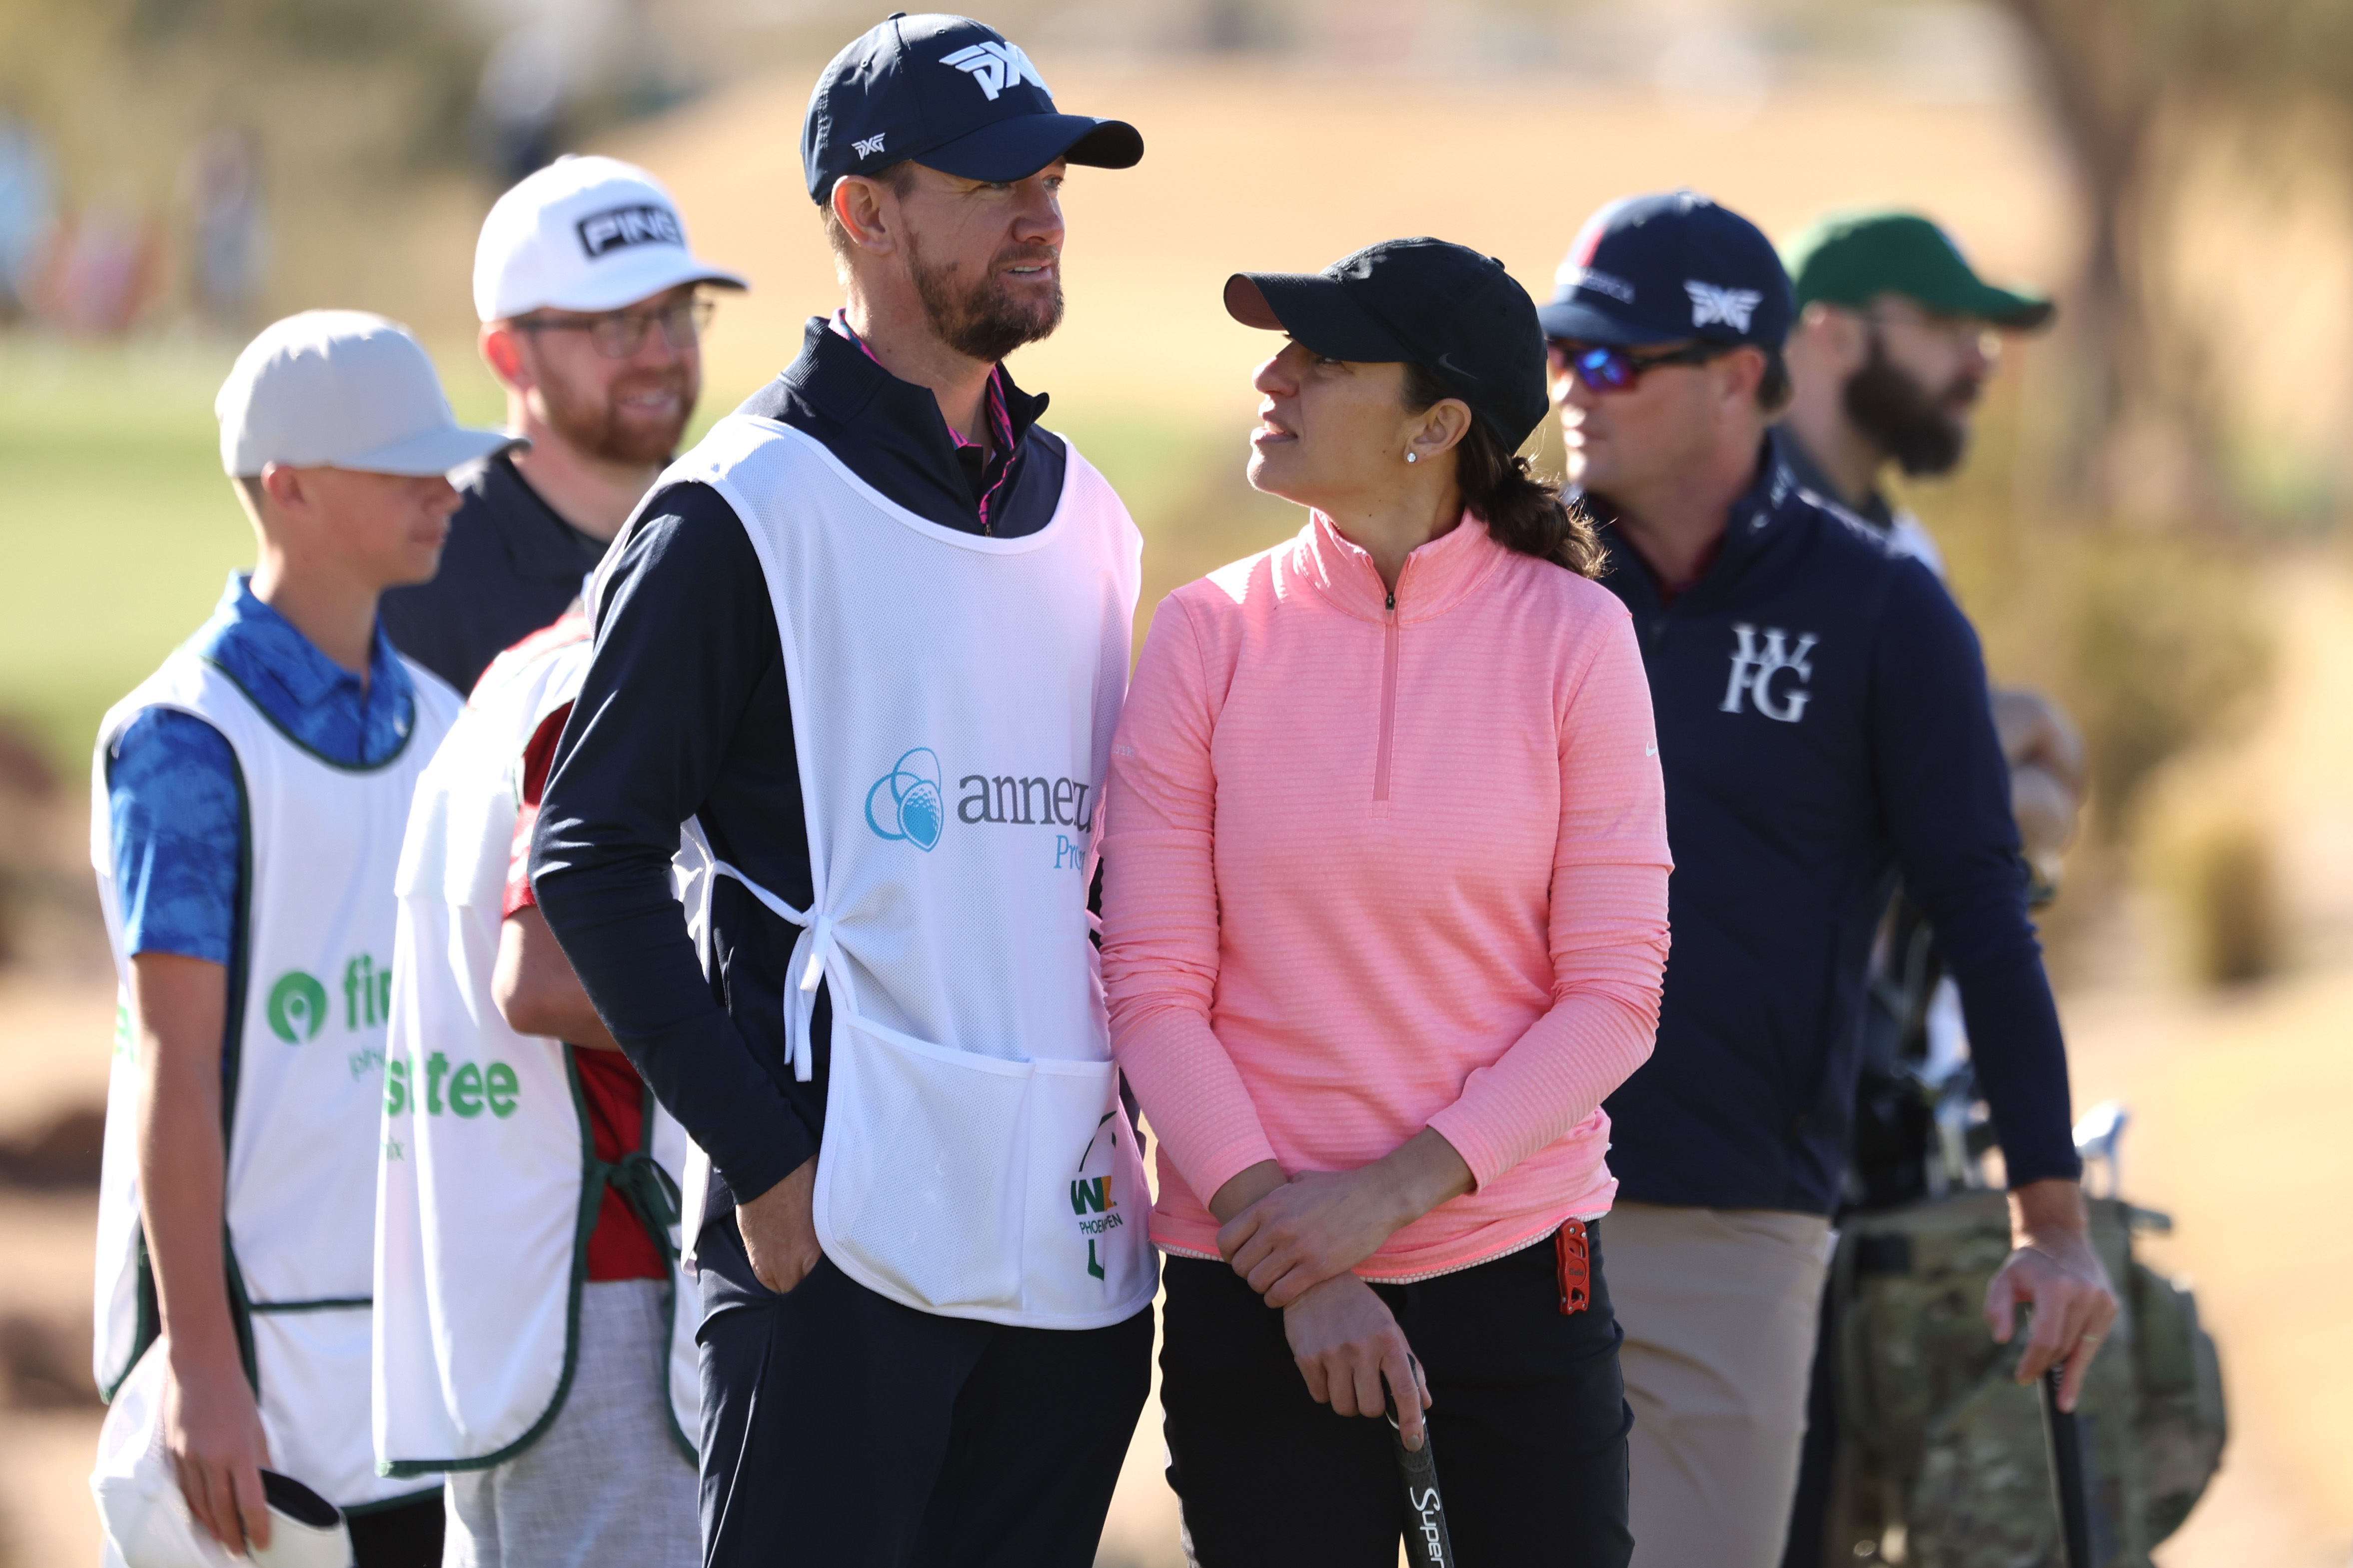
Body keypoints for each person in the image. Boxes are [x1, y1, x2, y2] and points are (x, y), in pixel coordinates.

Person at [528, 15, 1151, 1567]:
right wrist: (767, 1160)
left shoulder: (1097, 524)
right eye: (997, 178)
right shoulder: (739, 507)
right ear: (862, 214)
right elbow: (589, 853)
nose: (1044, 210)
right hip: (838, 1246)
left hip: (1067, 1265)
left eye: (1055, 176)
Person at [1534, 189, 2120, 1568]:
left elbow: (1983, 911)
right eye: (1563, 353)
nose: (1574, 386)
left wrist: (2051, 1219)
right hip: (1492, 1195)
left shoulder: (1874, 603)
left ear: (1740, 375)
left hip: (1738, 1212)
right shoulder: (1505, 574)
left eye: (1614, 359)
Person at [1101, 239, 1671, 1566]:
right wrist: (1299, 1256)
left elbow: (1612, 995)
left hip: (1515, 1275)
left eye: (1323, 359)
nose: (1272, 375)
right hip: (1255, 1281)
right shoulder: (1205, 637)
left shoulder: (1573, 641)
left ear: (1438, 423)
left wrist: (1384, 1201)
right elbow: (1152, 990)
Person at [88, 311, 512, 1566]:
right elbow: (176, 1064)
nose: (448, 491)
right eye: (405, 467)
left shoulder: (445, 720)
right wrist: (200, 1367)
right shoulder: (184, 739)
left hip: (419, 1384)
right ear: (292, 489)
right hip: (247, 1393)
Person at [371, 604, 700, 1567]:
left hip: (515, 1289)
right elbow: (548, 978)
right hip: (610, 1282)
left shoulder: (519, 671)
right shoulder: (602, 683)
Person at [1778, 206, 2085, 890]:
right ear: (1835, 335)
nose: (1980, 361)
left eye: (1981, 335)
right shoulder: (1728, 532)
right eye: (1947, 328)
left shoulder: (1904, 548)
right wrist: (2005, 736)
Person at [378, 154, 746, 695]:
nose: (661, 353)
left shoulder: (744, 539)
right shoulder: (422, 578)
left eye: (677, 312)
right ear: (508, 356)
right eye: (616, 323)